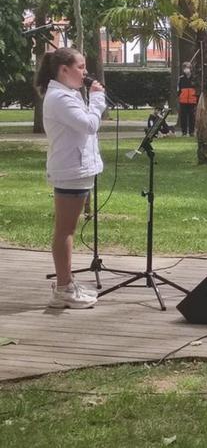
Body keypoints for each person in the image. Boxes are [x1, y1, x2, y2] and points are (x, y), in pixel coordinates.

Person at [37, 47, 105, 309]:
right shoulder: (59, 98)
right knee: (65, 230)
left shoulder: (68, 94)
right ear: (63, 69)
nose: (85, 72)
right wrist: (97, 100)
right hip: (69, 171)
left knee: (68, 229)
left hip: (77, 169)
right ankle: (63, 289)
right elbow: (88, 125)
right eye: (80, 67)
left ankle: (67, 282)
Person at [177, 62, 197, 137]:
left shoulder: (194, 79)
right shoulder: (181, 79)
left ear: (191, 69)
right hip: (183, 101)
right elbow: (178, 89)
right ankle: (184, 132)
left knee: (192, 117)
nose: (186, 69)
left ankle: (191, 132)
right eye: (185, 68)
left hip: (192, 101)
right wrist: (179, 96)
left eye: (188, 67)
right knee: (183, 117)